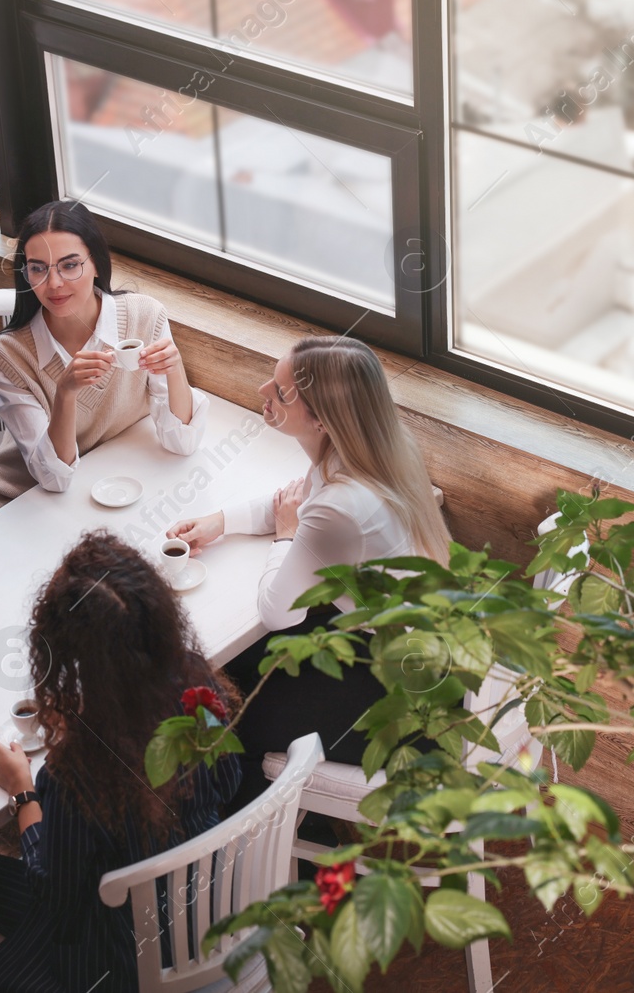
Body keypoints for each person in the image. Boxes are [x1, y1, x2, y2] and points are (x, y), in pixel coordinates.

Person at [0, 531, 240, 992]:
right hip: (207, 904)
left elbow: (54, 895)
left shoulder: (77, 773)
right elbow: (230, 779)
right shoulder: (200, 687)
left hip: (121, 962)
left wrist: (24, 793)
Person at [167, 336, 450, 799]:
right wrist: (219, 523)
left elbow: (279, 612)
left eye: (279, 392)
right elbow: (296, 499)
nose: (262, 391)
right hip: (413, 653)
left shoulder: (343, 504)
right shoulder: (377, 452)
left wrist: (284, 535)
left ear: (320, 419)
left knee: (224, 711)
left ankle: (255, 828)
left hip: (400, 699)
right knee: (235, 670)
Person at [0, 200, 208, 516]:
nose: (54, 283)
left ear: (96, 263)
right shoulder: (7, 356)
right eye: (38, 268)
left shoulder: (144, 317)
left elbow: (182, 443)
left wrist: (175, 367)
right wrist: (66, 392)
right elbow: (52, 478)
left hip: (103, 493)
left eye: (70, 265)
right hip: (23, 505)